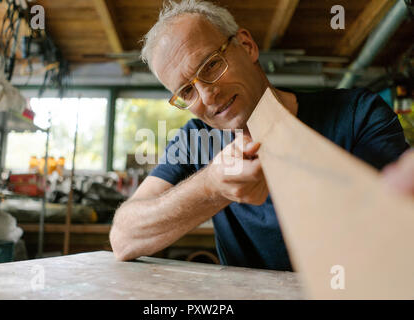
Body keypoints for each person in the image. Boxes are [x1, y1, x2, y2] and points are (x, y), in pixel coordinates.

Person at [109, 0, 410, 270]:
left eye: (211, 64)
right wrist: (212, 186)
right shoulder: (196, 140)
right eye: (187, 90)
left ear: (247, 46)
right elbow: (123, 237)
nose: (207, 95)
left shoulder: (358, 114)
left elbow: (399, 234)